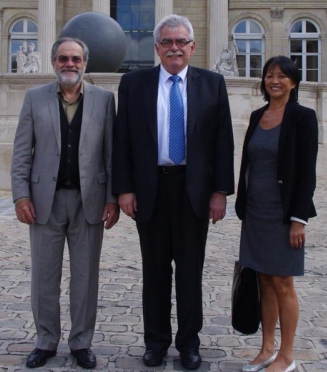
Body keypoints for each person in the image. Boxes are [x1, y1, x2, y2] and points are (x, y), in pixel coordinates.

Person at [113, 14, 235, 371]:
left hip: (193, 191)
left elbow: (222, 142)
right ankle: (155, 343)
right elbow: (123, 142)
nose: (174, 47)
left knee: (189, 273)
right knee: (154, 273)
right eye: (167, 42)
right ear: (157, 48)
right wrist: (124, 189)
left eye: (181, 41)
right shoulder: (134, 85)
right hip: (150, 189)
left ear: (193, 47)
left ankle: (189, 344)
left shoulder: (212, 84)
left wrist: (220, 192)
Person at [11, 37, 119, 369]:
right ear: (54, 62)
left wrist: (113, 198)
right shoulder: (34, 98)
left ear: (85, 62)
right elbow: (21, 154)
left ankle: (81, 342)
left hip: (91, 201)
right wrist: (21, 195)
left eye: (75, 59)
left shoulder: (103, 100)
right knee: (44, 276)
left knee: (85, 278)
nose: (69, 64)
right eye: (62, 58)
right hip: (45, 202)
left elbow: (112, 155)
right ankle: (45, 341)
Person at [235, 55, 318, 372]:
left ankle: (287, 354)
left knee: (283, 282)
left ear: (293, 82)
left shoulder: (303, 117)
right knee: (264, 280)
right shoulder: (258, 116)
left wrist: (299, 219)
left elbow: (307, 173)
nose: (275, 80)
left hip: (284, 215)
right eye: (270, 75)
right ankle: (267, 348)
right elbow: (248, 163)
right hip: (256, 212)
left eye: (283, 76)